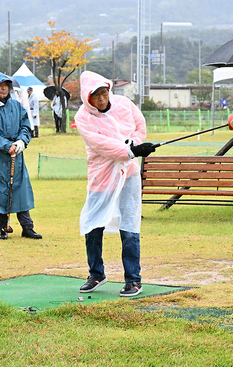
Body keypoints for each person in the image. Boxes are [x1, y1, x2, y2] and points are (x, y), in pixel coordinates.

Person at [75, 71, 156, 297]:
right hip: (102, 176)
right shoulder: (83, 117)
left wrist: (136, 144)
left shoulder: (124, 104)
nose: (101, 99)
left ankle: (133, 280)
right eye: (96, 96)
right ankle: (96, 273)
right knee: (93, 224)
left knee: (129, 225)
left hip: (128, 173)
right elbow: (101, 145)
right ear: (87, 97)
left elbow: (140, 126)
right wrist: (130, 151)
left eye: (104, 93)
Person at [0, 73, 42, 240]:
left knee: (20, 190)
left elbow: (26, 127)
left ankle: (27, 227)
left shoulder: (17, 106)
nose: (4, 88)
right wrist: (7, 146)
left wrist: (21, 142)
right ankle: (2, 227)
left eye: (6, 85)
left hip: (16, 157)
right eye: (0, 85)